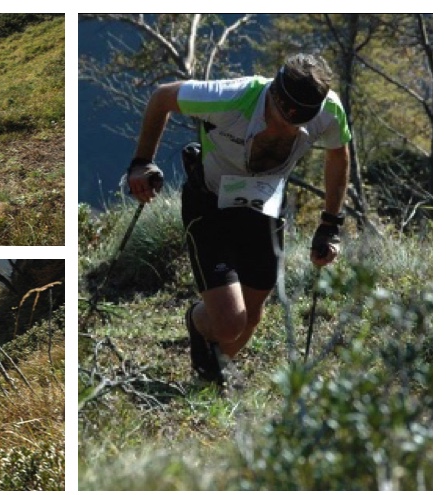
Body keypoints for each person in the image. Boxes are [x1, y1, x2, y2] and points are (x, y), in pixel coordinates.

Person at [127, 54, 351, 384]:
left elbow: (338, 153)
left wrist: (330, 224)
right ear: (273, 95)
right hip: (210, 205)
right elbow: (163, 97)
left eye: (298, 125)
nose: (288, 129)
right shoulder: (233, 97)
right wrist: (142, 162)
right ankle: (197, 322)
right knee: (230, 322)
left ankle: (208, 380)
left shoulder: (328, 110)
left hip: (264, 207)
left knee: (251, 316)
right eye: (282, 119)